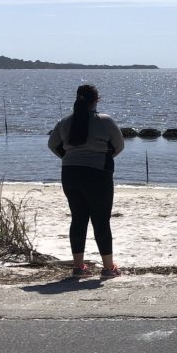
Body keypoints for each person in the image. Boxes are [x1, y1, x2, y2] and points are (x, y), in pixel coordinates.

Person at [47, 84, 125, 278]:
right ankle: (108, 268)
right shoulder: (105, 121)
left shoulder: (64, 122)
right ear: (96, 100)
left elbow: (52, 145)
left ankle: (78, 266)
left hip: (70, 174)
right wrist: (104, 157)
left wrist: (68, 157)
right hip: (98, 175)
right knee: (101, 221)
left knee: (78, 219)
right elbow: (119, 146)